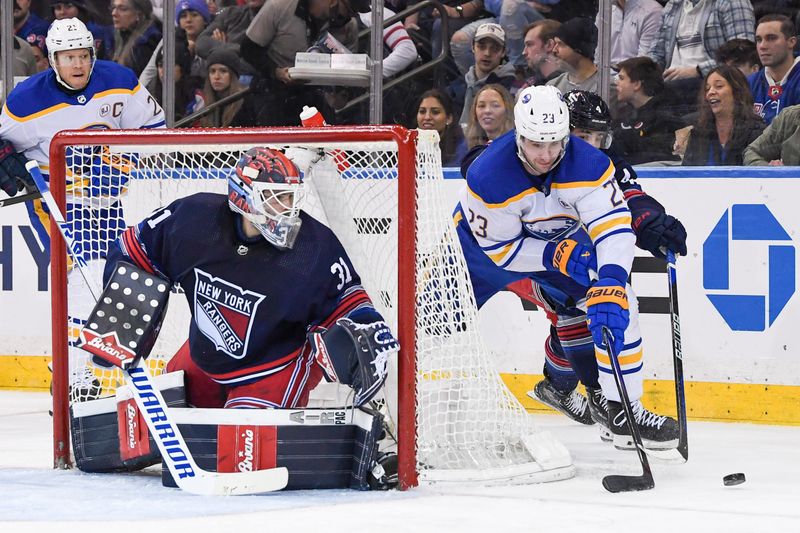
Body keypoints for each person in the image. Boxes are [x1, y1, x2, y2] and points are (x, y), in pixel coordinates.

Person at [454, 84, 680, 450]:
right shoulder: (488, 175)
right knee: (429, 325)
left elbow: (613, 227)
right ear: (519, 136)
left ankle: (622, 410)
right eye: (535, 144)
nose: (545, 155)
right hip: (476, 251)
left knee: (621, 302)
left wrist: (611, 280)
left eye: (555, 143)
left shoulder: (589, 163)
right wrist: (553, 256)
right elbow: (500, 250)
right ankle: (393, 402)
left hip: (554, 247)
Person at [102, 147, 397, 411]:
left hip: (274, 366)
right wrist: (119, 324)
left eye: (290, 198)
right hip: (205, 356)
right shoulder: (194, 218)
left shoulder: (313, 247)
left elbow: (349, 303)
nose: (288, 209)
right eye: (276, 198)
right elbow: (135, 248)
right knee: (155, 421)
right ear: (243, 197)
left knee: (241, 448)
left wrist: (365, 329)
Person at [523, 89, 687, 433]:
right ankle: (614, 404)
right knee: (591, 305)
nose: (592, 145)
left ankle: (566, 387)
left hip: (574, 255)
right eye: (583, 136)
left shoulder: (603, 161)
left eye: (597, 136)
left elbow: (630, 196)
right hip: (525, 256)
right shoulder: (539, 159)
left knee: (587, 310)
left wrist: (649, 222)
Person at [0, 18, 165, 260]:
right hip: (56, 204)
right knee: (78, 279)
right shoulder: (26, 102)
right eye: (69, 58)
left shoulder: (120, 82)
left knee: (112, 275)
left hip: (106, 201)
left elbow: (155, 129)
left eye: (83, 56)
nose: (78, 65)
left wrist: (121, 158)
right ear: (54, 60)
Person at [647, 0, 755, 116]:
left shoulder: (732, 3)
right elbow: (656, 52)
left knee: (665, 99)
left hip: (708, 79)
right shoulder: (672, 5)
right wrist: (641, 73)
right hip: (670, 81)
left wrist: (698, 70)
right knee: (634, 95)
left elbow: (743, 53)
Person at [682, 65, 765, 166]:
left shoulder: (756, 131)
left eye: (719, 86)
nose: (710, 92)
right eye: (707, 89)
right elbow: (687, 173)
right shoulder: (699, 132)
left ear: (736, 92)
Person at [613, 56, 685, 164]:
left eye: (622, 78)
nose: (616, 82)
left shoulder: (665, 117)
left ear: (637, 84)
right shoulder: (624, 114)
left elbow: (659, 155)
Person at [450, 22, 516, 129]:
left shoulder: (511, 86)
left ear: (503, 52)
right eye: (481, 46)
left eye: (494, 48)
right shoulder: (457, 87)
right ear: (472, 47)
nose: (487, 53)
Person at [748, 15, 800, 125]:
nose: (762, 46)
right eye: (758, 40)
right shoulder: (749, 83)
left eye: (771, 38)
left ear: (791, 42)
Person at [198, 47, 259, 127]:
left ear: (233, 75)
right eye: (212, 71)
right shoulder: (202, 103)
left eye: (223, 71)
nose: (216, 77)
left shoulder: (247, 103)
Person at [195, 0, 265, 59]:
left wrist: (221, 47)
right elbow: (202, 43)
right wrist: (229, 48)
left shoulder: (274, 17)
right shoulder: (231, 13)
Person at [415, 89, 468, 167]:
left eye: (435, 112)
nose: (427, 117)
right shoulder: (410, 145)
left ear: (449, 118)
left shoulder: (462, 148)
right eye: (422, 111)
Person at [546, 17, 599, 95]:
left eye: (560, 44)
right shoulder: (552, 87)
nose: (554, 50)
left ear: (579, 49)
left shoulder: (606, 87)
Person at [111, 0, 162, 77]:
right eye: (113, 7)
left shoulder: (147, 42)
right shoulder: (120, 34)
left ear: (139, 14)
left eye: (122, 9)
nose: (114, 13)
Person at [51, 0, 115, 60]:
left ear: (80, 8)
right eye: (58, 8)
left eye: (68, 6)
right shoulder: (51, 34)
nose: (62, 12)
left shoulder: (98, 32)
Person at [464, 83, 515, 148]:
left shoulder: (516, 146)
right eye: (481, 106)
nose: (487, 111)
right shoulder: (467, 147)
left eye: (495, 105)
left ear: (507, 110)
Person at [520, 19, 562, 88]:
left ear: (549, 45)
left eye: (530, 44)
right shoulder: (531, 85)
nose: (524, 52)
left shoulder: (568, 85)